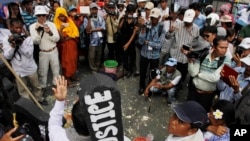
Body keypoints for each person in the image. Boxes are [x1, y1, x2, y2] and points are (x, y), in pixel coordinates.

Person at [3, 18, 48, 106]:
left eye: (20, 28)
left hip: (30, 67)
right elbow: (7, 56)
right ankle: (29, 105)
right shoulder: (6, 39)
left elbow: (29, 53)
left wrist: (21, 44)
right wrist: (13, 46)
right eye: (16, 28)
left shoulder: (27, 38)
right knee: (23, 90)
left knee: (36, 86)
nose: (19, 30)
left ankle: (39, 99)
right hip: (18, 70)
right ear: (11, 27)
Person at [187, 36, 231, 112]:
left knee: (200, 116)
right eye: (221, 47)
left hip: (207, 96)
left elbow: (215, 78)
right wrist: (190, 62)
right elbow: (193, 73)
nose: (224, 50)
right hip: (193, 91)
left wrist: (199, 74)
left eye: (226, 48)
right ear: (214, 46)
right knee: (187, 112)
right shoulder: (203, 54)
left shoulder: (226, 61)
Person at [30, 5, 60, 89]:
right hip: (43, 52)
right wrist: (38, 32)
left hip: (53, 50)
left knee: (56, 70)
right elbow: (35, 42)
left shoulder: (52, 24)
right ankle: (42, 87)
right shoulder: (32, 27)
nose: (41, 17)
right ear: (36, 16)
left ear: (46, 15)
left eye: (43, 15)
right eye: (39, 15)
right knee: (43, 72)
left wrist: (49, 32)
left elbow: (57, 39)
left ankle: (56, 85)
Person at [167, 9, 199, 86]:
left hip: (186, 58)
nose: (187, 22)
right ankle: (170, 88)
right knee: (172, 74)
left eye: (189, 20)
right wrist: (170, 32)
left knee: (183, 74)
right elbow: (167, 37)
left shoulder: (196, 28)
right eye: (186, 20)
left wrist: (192, 50)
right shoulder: (177, 24)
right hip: (175, 55)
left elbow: (196, 43)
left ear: (194, 18)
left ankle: (178, 86)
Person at [138, 8, 166, 94]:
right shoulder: (146, 26)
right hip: (144, 54)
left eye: (155, 18)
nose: (153, 20)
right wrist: (142, 28)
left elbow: (159, 45)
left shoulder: (161, 29)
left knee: (152, 73)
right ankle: (142, 87)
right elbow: (140, 41)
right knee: (142, 72)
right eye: (151, 18)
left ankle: (149, 88)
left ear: (159, 17)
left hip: (154, 56)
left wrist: (148, 42)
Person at [54, 7, 79, 87]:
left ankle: (72, 75)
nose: (62, 17)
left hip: (72, 44)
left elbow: (76, 32)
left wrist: (70, 37)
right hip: (64, 47)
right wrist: (61, 30)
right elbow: (60, 38)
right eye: (60, 16)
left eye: (63, 15)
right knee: (66, 62)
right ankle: (67, 79)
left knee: (73, 60)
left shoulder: (70, 21)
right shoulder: (55, 24)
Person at [83, 2, 105, 73]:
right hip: (92, 41)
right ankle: (93, 68)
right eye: (92, 9)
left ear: (97, 10)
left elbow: (103, 28)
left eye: (95, 9)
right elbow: (87, 30)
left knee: (99, 54)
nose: (94, 11)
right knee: (91, 56)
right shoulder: (86, 19)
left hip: (99, 40)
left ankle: (97, 66)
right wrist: (89, 19)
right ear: (90, 10)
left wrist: (93, 30)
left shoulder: (100, 18)